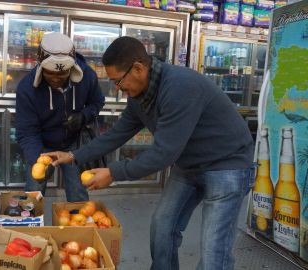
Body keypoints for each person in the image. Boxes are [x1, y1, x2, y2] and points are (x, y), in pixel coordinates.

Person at [45, 36, 255, 270]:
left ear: (138, 69)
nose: (118, 89)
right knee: (163, 224)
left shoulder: (179, 87)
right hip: (190, 164)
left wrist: (113, 173)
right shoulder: (140, 96)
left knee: (214, 249)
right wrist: (74, 156)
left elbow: (164, 153)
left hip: (228, 164)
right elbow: (117, 134)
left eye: (118, 81)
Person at [15, 32, 105, 202]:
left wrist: (83, 116)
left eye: (62, 73)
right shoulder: (27, 88)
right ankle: (30, 226)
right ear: (41, 66)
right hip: (41, 145)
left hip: (73, 144)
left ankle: (79, 227)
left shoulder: (87, 77)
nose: (56, 78)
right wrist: (37, 161)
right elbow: (27, 132)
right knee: (34, 192)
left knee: (78, 192)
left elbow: (98, 102)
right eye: (50, 73)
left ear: (72, 68)